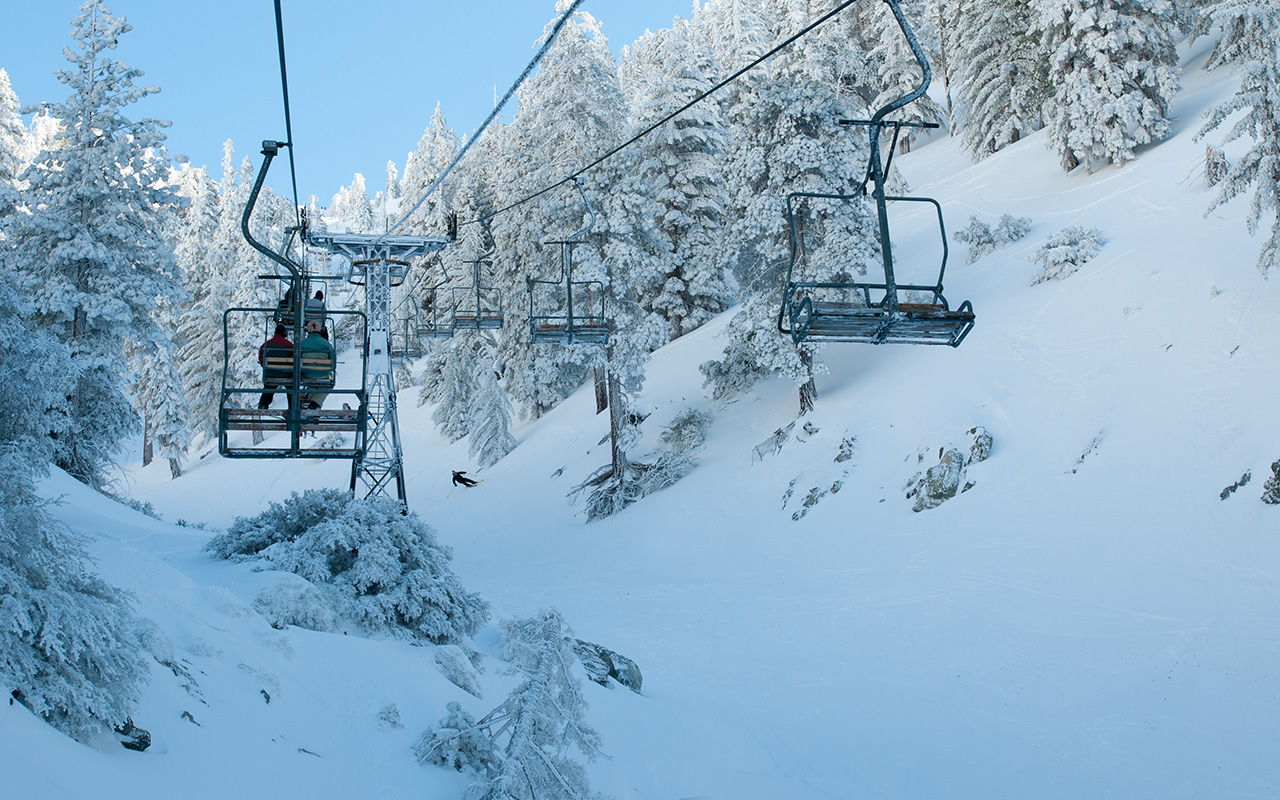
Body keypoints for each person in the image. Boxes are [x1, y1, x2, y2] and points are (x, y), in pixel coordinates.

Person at [300, 320, 336, 410]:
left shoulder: (302, 344)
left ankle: (308, 401)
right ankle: (314, 404)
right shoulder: (326, 344)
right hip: (323, 374)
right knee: (328, 385)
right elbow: (333, 361)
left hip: (307, 374)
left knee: (313, 385)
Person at [257, 324, 293, 410]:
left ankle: (263, 404)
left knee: (269, 386)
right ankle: (292, 407)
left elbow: (262, 360)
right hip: (285, 374)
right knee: (291, 387)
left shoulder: (265, 345)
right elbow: (293, 359)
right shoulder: (289, 345)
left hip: (271, 373)